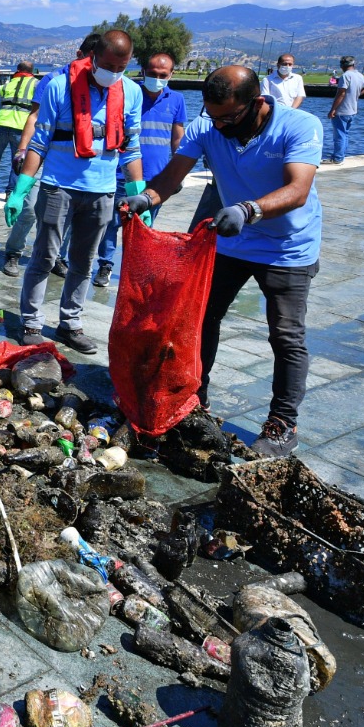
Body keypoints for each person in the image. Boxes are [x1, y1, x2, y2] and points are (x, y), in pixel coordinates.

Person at [122, 65, 322, 458]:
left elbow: (298, 189)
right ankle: (195, 397)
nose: (219, 125)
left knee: (286, 335)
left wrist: (250, 210)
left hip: (288, 247)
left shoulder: (299, 125)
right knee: (198, 318)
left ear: (256, 103)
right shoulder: (207, 127)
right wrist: (145, 198)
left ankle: (282, 424)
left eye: (228, 117)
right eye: (213, 116)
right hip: (231, 242)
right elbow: (172, 178)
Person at [2, 29, 144, 355]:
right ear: (93, 58)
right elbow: (39, 143)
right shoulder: (57, 87)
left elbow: (131, 150)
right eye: (107, 65)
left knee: (84, 261)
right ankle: (32, 323)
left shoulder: (132, 94)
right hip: (58, 188)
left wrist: (141, 195)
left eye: (120, 68)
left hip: (103, 192)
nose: (113, 74)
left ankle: (71, 324)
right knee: (45, 256)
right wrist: (20, 189)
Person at [0, 33, 101, 278]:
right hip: (44, 154)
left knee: (68, 214)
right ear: (79, 55)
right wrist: (22, 150)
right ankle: (14, 251)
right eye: (90, 61)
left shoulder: (99, 84)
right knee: (30, 208)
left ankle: (57, 256)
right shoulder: (53, 80)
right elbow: (33, 117)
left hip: (75, 159)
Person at [90, 51, 187, 286]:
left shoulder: (177, 100)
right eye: (152, 73)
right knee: (113, 222)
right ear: (143, 72)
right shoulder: (129, 95)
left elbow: (178, 137)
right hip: (123, 173)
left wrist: (178, 172)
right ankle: (105, 265)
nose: (157, 78)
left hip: (158, 178)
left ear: (171, 74)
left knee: (145, 226)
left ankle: (135, 268)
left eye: (163, 74)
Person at [0, 61, 38, 199]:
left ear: (18, 70)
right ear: (32, 71)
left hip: (2, 124)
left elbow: (2, 95)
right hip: (20, 127)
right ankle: (10, 192)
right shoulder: (36, 84)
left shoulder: (8, 83)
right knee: (17, 160)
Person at [325, 55, 364, 165]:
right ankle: (341, 156)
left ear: (341, 66)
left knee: (339, 135)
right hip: (353, 110)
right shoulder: (359, 75)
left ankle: (338, 158)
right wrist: (357, 95)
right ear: (353, 64)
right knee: (345, 134)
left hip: (342, 110)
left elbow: (341, 93)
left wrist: (333, 109)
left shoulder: (345, 76)